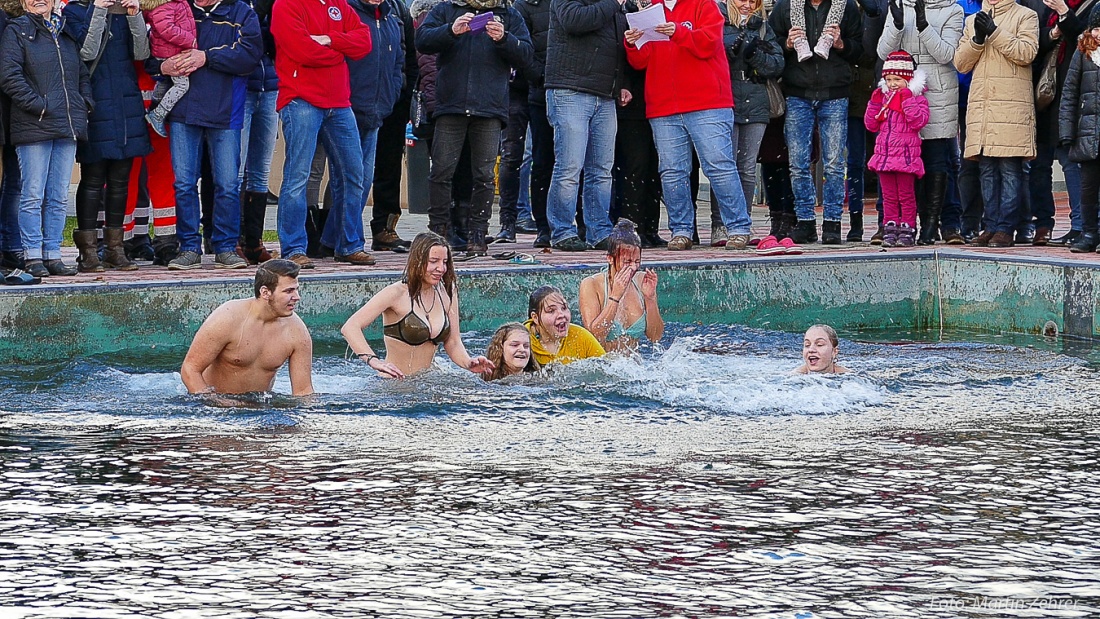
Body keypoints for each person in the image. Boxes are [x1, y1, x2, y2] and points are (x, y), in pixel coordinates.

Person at [624, 0, 755, 251]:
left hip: (707, 102)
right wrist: (633, 43)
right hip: (664, 105)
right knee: (672, 171)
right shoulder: (652, 9)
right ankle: (681, 230)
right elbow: (641, 61)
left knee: (719, 166)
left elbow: (709, 44)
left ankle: (738, 227)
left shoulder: (704, 5)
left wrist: (679, 32)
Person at [415, 0, 533, 257]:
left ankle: (477, 232)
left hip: (490, 107)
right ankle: (438, 232)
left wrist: (504, 38)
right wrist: (450, 31)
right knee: (442, 171)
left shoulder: (509, 15)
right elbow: (422, 40)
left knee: (484, 175)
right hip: (451, 104)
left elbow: (526, 54)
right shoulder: (446, 9)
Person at [156, 0, 263, 270]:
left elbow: (250, 54)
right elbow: (153, 48)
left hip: (226, 111)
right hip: (183, 112)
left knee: (227, 184)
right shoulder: (176, 8)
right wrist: (160, 67)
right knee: (184, 184)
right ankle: (189, 248)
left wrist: (206, 57)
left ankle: (225, 247)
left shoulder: (241, 12)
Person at [271, 0, 374, 268]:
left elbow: (364, 42)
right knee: (298, 176)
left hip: (339, 102)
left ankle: (349, 245)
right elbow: (304, 51)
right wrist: (342, 51)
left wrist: (331, 39)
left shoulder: (340, 4)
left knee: (355, 174)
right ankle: (293, 248)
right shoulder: (286, 5)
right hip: (300, 99)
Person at [0, 0, 93, 278]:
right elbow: (9, 75)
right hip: (34, 123)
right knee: (32, 194)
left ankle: (52, 254)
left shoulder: (64, 31)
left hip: (66, 125)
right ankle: (32, 255)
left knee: (56, 195)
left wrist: (83, 103)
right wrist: (38, 105)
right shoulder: (17, 30)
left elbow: (82, 74)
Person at [64, 0, 151, 273]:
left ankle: (116, 248)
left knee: (120, 180)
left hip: (126, 103)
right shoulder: (74, 11)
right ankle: (88, 252)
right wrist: (99, 9)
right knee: (92, 179)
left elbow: (141, 53)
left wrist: (135, 15)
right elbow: (86, 52)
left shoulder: (123, 11)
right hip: (95, 102)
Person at [770, 0, 864, 245]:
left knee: (834, 163)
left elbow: (860, 49)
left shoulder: (847, 7)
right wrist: (788, 44)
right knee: (798, 163)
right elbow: (771, 45)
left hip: (835, 92)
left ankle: (832, 223)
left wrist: (841, 44)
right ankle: (805, 222)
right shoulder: (784, 7)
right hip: (797, 92)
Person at [341, 232, 495, 378]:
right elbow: (350, 327)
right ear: (418, 260)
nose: (441, 268)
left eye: (445, 262)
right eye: (433, 261)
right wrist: (374, 361)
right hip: (393, 386)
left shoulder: (447, 290)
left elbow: (453, 341)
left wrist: (468, 363)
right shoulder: (395, 293)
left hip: (427, 383)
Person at [876, 0, 964, 245]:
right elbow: (883, 53)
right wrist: (896, 24)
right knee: (906, 163)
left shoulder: (953, 10)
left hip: (937, 91)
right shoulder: (900, 6)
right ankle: (906, 223)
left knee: (937, 160)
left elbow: (947, 54)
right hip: (901, 91)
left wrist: (924, 26)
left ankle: (931, 224)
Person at [543, 0, 627, 251]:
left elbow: (615, 44)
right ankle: (562, 230)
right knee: (570, 166)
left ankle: (599, 230)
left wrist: (622, 82)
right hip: (570, 88)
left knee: (602, 169)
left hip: (605, 92)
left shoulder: (615, 6)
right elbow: (574, 21)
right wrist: (614, 3)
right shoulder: (611, 3)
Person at [955, 0, 1038, 248]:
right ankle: (990, 226)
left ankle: (1006, 228)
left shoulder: (1026, 16)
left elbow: (1027, 53)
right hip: (983, 105)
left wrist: (995, 31)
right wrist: (977, 39)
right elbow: (960, 63)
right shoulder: (973, 20)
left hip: (1011, 105)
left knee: (1010, 170)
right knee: (987, 170)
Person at [180, 259, 315, 395]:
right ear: (265, 292)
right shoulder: (229, 318)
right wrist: (212, 403)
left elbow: (303, 391)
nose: (297, 297)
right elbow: (190, 369)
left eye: (296, 290)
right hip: (216, 408)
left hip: (261, 409)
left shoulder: (297, 331)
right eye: (289, 291)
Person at [720, 0, 785, 222]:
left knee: (747, 168)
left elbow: (777, 65)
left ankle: (742, 221)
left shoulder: (763, 27)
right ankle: (720, 223)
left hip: (756, 99)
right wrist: (733, 48)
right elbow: (711, 58)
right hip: (725, 99)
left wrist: (753, 55)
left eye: (753, 2)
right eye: (742, 0)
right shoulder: (718, 21)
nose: (747, 5)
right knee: (724, 168)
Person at [864, 50, 930, 247]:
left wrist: (907, 100)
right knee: (889, 197)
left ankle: (908, 227)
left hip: (905, 158)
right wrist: (874, 104)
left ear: (908, 80)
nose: (893, 84)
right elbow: (871, 125)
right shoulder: (884, 100)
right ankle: (890, 227)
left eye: (898, 79)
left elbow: (918, 121)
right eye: (889, 79)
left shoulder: (917, 99)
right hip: (884, 158)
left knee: (906, 196)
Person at [578, 219, 664, 351]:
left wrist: (650, 298)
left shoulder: (641, 280)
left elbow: (655, 337)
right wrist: (615, 297)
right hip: (601, 365)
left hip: (634, 366)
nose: (633, 267)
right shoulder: (591, 284)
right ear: (610, 258)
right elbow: (594, 338)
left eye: (637, 261)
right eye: (627, 261)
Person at [1058, 8, 1100, 253]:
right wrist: (1067, 131)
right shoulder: (1083, 53)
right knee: (1088, 188)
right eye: (1095, 29)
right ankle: (1089, 232)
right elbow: (1069, 94)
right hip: (1087, 134)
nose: (1098, 34)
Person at [141, 0, 197, 137]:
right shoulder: (164, 6)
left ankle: (154, 107)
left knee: (165, 82)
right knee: (182, 85)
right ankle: (158, 114)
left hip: (170, 51)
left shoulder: (173, 3)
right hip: (171, 54)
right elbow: (167, 29)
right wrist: (191, 40)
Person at [525, 284, 605, 365]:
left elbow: (607, 368)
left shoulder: (580, 336)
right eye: (551, 311)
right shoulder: (522, 342)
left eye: (564, 308)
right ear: (535, 318)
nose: (561, 315)